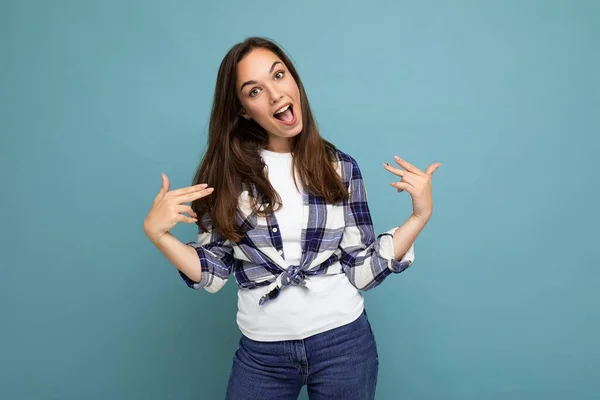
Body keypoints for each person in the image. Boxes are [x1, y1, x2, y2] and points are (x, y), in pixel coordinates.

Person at [143, 36, 441, 400]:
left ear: (294, 80)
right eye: (254, 91)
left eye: (279, 75)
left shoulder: (340, 168)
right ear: (241, 110)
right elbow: (213, 274)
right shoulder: (224, 178)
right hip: (263, 355)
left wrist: (419, 216)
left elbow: (361, 271)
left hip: (343, 344)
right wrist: (159, 235)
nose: (274, 94)